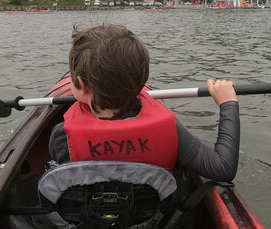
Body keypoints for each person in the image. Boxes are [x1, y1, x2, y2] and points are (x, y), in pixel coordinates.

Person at [49, 22, 240, 182]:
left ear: (81, 85)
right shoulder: (170, 129)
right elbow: (223, 168)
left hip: (84, 225)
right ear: (141, 81)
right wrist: (228, 103)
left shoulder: (61, 136)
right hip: (153, 223)